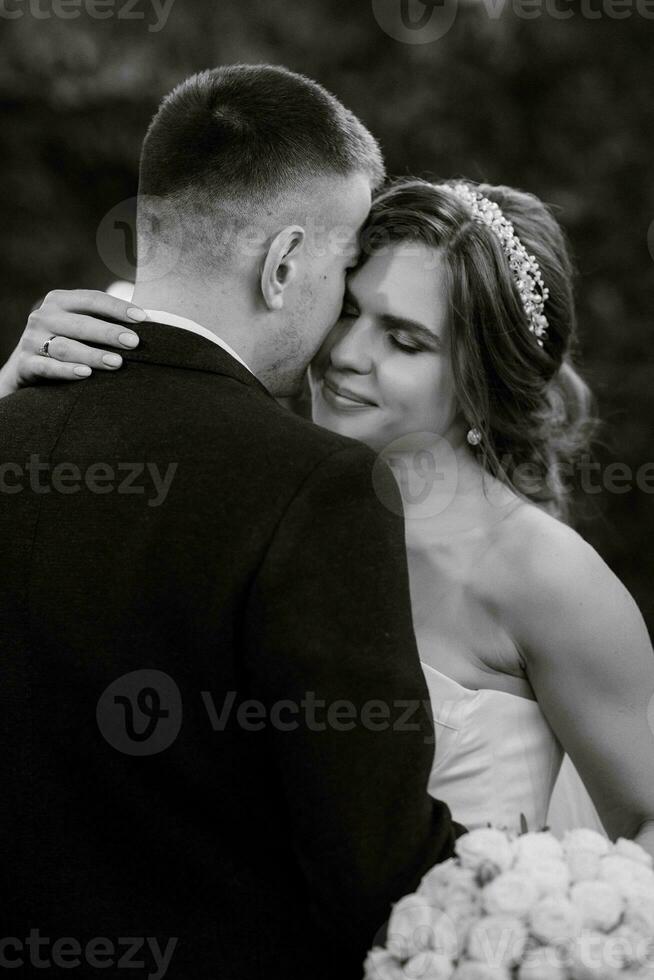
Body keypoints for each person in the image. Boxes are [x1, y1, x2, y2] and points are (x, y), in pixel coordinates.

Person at [11, 174, 654, 858]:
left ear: (484, 387)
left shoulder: (544, 577)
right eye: (347, 311)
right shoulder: (244, 500)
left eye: (404, 341)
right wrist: (17, 399)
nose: (347, 356)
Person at [0, 66, 464, 980]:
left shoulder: (6, 423)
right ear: (285, 262)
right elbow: (370, 867)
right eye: (340, 271)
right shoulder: (317, 487)